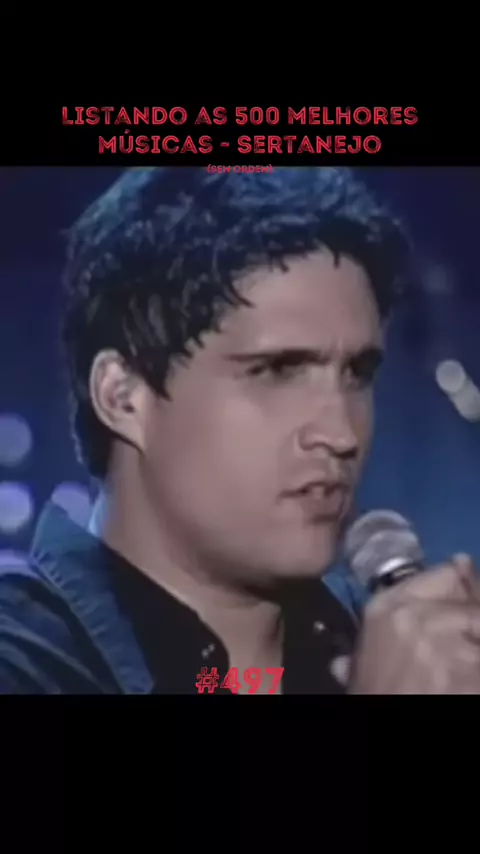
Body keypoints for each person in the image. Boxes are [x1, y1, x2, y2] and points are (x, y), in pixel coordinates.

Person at [1, 166, 480, 695]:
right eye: (277, 370)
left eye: (357, 374)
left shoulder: (406, 651)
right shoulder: (23, 665)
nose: (341, 433)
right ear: (123, 397)